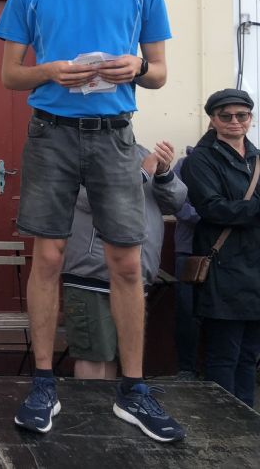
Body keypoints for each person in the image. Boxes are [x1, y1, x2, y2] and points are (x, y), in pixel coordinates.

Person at [0, 0, 185, 442]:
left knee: (126, 261)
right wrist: (50, 70)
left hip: (115, 136)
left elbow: (159, 72)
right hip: (51, 133)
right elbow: (10, 75)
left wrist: (138, 68)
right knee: (48, 256)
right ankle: (43, 382)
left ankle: (134, 389)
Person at [61, 142, 187, 379]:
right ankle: (89, 405)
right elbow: (91, 199)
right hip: (93, 275)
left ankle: (106, 404)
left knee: (116, 356)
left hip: (135, 277)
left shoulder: (141, 153)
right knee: (94, 356)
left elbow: (176, 203)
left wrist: (164, 174)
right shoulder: (78, 151)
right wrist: (141, 174)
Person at [180, 88, 260, 406]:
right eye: (225, 116)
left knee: (249, 355)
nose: (234, 121)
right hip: (223, 267)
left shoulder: (257, 157)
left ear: (250, 118)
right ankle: (223, 422)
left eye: (242, 115)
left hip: (255, 267)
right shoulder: (200, 160)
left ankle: (246, 419)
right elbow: (213, 208)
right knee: (224, 355)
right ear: (213, 120)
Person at [171, 150, 202, 380]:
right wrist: (212, 216)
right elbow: (175, 202)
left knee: (225, 314)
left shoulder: (249, 164)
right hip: (188, 250)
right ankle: (187, 368)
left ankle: (216, 370)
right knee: (187, 312)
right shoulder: (186, 164)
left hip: (230, 254)